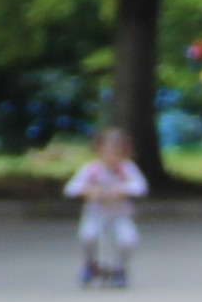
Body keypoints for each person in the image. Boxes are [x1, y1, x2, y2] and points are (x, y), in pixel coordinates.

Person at [63, 122, 149, 289]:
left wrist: (122, 189)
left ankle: (120, 269)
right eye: (108, 151)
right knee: (88, 236)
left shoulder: (126, 169)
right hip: (96, 212)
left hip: (120, 213)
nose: (112, 156)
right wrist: (87, 190)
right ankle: (90, 264)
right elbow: (71, 188)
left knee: (127, 239)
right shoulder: (92, 170)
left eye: (117, 152)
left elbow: (141, 187)